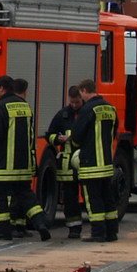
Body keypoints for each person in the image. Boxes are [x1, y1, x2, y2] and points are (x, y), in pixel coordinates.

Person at [0, 75, 51, 241]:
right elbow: (31, 136)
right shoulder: (25, 106)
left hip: (4, 166)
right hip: (23, 165)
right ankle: (41, 224)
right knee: (27, 196)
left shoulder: (0, 107)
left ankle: (2, 231)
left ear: (2, 88)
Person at [71, 79, 119, 242]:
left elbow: (77, 136)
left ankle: (98, 233)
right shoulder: (110, 108)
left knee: (94, 200)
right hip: (106, 163)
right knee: (108, 198)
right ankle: (112, 232)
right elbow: (115, 131)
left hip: (91, 164)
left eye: (81, 94)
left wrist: (77, 145)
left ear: (84, 90)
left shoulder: (87, 109)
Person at [46, 86, 84, 239]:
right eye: (72, 102)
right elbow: (49, 134)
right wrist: (57, 139)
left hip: (85, 162)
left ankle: (97, 227)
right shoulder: (63, 115)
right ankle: (74, 228)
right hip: (67, 166)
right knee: (70, 198)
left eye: (77, 102)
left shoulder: (87, 113)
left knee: (90, 197)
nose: (74, 105)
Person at [10, 77, 36, 237]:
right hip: (25, 161)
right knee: (23, 195)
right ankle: (21, 226)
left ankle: (14, 226)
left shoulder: (5, 106)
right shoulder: (27, 108)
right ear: (25, 91)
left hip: (9, 163)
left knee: (13, 196)